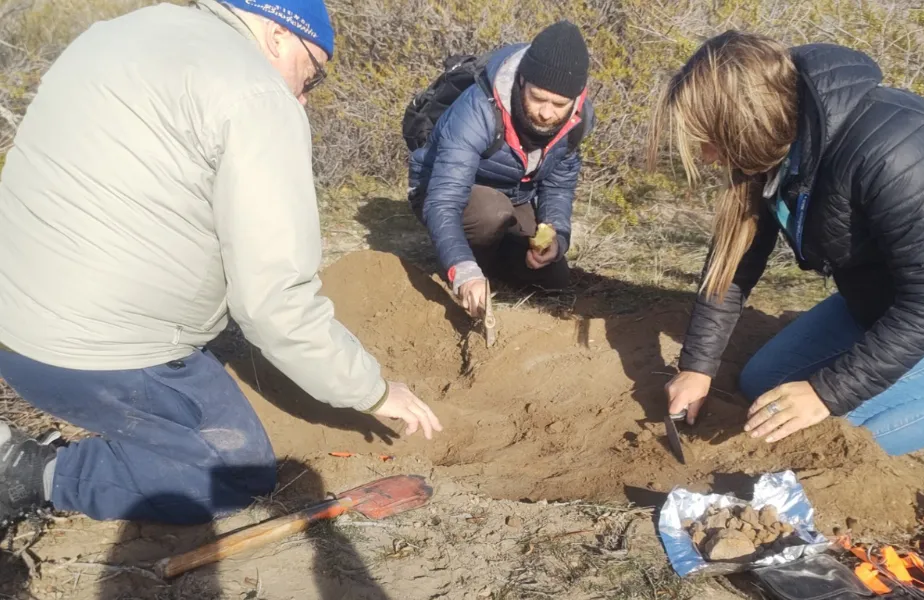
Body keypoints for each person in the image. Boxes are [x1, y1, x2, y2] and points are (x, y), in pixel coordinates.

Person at [0, 0, 441, 527]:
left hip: (12, 326)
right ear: (280, 34)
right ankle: (34, 472)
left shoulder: (115, 32)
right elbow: (274, 303)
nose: (303, 97)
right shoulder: (256, 94)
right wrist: (371, 390)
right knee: (237, 472)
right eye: (313, 75)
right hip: (91, 353)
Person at [647, 31, 924, 456]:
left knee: (839, 433)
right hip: (883, 293)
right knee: (762, 387)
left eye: (711, 140)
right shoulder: (775, 142)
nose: (707, 156)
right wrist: (697, 366)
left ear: (744, 124)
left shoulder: (894, 150)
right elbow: (734, 261)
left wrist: (825, 394)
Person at [407, 20, 595, 318]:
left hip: (512, 197)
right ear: (522, 81)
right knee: (490, 214)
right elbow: (444, 200)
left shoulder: (576, 122)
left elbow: (558, 187)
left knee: (553, 278)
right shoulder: (479, 109)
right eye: (538, 98)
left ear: (576, 99)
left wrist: (557, 239)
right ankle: (464, 264)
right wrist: (464, 269)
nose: (547, 113)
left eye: (559, 104)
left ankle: (490, 261)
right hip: (445, 190)